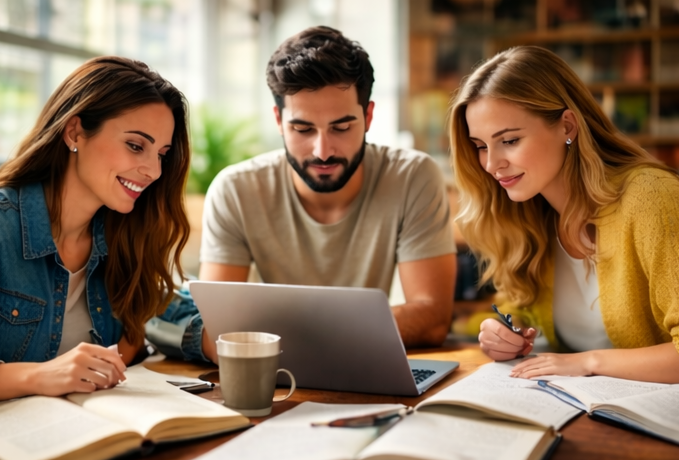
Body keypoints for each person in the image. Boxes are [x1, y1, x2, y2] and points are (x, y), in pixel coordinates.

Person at [0, 56, 213, 410]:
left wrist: (227, 337)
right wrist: (41, 375)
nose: (153, 170)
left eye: (162, 154)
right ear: (74, 132)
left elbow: (168, 306)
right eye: (136, 145)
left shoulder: (122, 234)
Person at [198, 26, 457, 347]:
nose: (322, 150)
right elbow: (220, 328)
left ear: (369, 116)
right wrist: (344, 332)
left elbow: (432, 321)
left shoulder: (412, 176)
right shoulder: (235, 190)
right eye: (303, 128)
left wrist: (298, 333)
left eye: (342, 127)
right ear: (278, 120)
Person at [448, 45, 679, 383]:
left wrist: (587, 363)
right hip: (579, 411)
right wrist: (498, 331)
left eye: (509, 140)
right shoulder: (530, 213)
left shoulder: (651, 198)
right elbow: (521, 309)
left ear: (567, 126)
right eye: (481, 146)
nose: (491, 164)